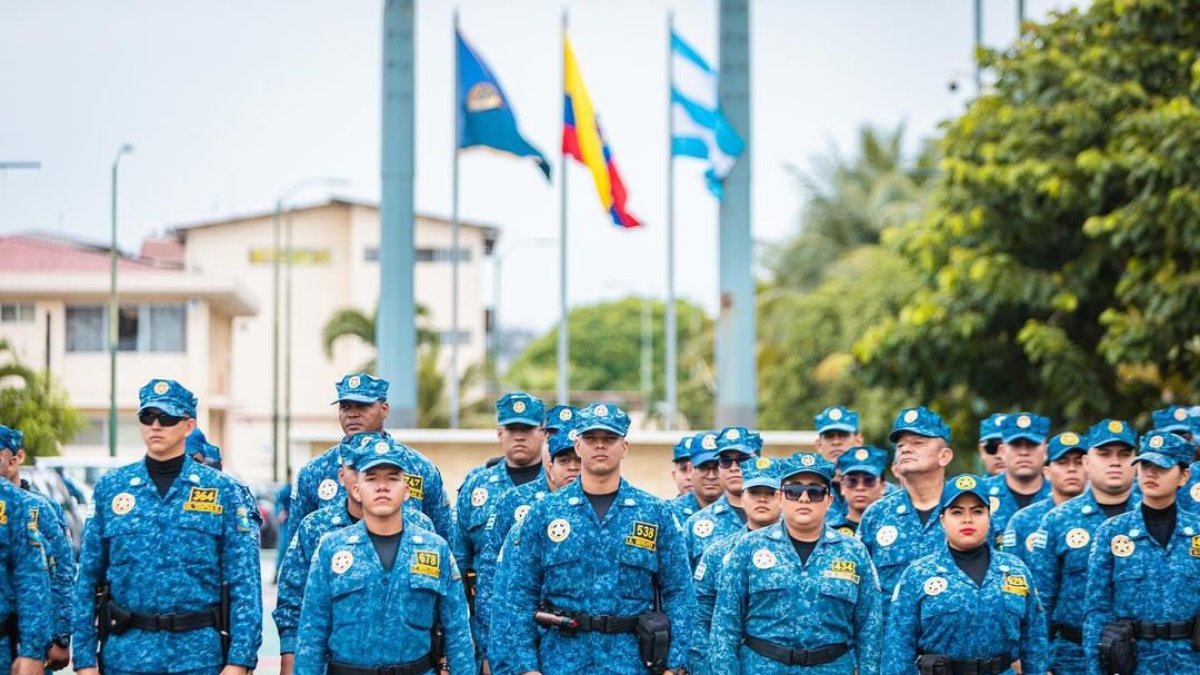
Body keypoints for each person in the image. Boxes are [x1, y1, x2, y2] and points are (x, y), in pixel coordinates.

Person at [71, 378, 262, 674]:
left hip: (198, 658)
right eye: (147, 417)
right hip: (126, 656)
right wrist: (84, 660)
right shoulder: (112, 487)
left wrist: (240, 661)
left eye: (167, 418)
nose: (156, 425)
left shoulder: (222, 490)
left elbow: (244, 584)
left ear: (188, 426)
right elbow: (87, 578)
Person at [489, 402, 695, 675]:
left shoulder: (655, 514)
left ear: (624, 447)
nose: (600, 446)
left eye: (609, 438)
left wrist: (675, 664)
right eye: (591, 438)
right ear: (577, 445)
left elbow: (679, 591)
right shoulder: (545, 513)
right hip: (560, 662)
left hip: (632, 662)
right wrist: (526, 667)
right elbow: (519, 595)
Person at [295, 434, 473, 674]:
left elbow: (458, 632)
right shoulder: (331, 548)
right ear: (356, 490)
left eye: (392, 478)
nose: (382, 486)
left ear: (407, 490)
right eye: (371, 478)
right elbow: (312, 634)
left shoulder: (434, 548)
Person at [709, 453, 882, 675]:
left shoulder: (853, 552)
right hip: (762, 668)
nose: (804, 499)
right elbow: (725, 625)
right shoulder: (749, 548)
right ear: (781, 497)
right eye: (794, 491)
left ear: (829, 500)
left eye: (815, 492)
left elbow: (870, 627)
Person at [884, 474, 1048, 675]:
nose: (967, 519)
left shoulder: (1016, 571)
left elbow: (1035, 643)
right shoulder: (918, 574)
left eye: (977, 511)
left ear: (989, 517)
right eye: (957, 512)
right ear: (943, 520)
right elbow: (898, 649)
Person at [1026, 419, 1138, 675]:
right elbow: (1039, 601)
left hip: (1145, 657)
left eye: (1124, 454)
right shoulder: (1058, 520)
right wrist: (1038, 663)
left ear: (1136, 461)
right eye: (1104, 453)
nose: (1115, 462)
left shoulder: (1153, 515)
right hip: (1071, 658)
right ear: (1087, 462)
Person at [1083, 431, 1200, 675]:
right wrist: (1097, 669)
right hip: (1134, 663)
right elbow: (1097, 610)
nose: (1150, 473)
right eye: (1145, 465)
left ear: (1184, 476)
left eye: (1162, 467)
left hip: (1189, 661)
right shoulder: (1112, 532)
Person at [292, 374, 453, 541]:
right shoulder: (315, 470)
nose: (352, 414)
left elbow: (444, 539)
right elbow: (296, 547)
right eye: (345, 407)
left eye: (362, 406)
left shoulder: (418, 467)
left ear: (384, 409)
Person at [475, 426, 582, 673]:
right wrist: (493, 652)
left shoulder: (609, 520)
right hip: (530, 644)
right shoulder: (529, 517)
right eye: (564, 461)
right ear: (550, 467)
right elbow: (499, 592)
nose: (573, 468)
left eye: (579, 460)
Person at [687, 455, 784, 675]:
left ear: (782, 498)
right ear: (742, 498)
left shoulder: (798, 555)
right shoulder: (717, 553)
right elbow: (700, 616)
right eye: (754, 492)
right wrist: (705, 665)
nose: (762, 499)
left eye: (770, 493)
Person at [858, 406, 953, 624]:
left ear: (944, 456)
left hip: (949, 647)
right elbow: (859, 588)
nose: (906, 450)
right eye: (900, 445)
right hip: (888, 648)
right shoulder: (877, 515)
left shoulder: (965, 511)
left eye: (918, 443)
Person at [0, 425, 74, 669]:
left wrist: (59, 636)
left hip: (17, 634)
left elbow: (59, 573)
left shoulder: (34, 507)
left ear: (16, 458)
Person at [1001, 431, 1087, 561]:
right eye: (1062, 462)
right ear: (1047, 472)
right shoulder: (1023, 521)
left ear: (1089, 468)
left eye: (1079, 462)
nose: (1071, 469)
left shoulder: (1105, 518)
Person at [684, 427, 761, 568]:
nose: (734, 467)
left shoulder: (783, 520)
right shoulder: (696, 524)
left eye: (742, 460)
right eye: (726, 461)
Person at [985, 413, 1053, 540]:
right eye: (1016, 445)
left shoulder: (1059, 497)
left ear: (1045, 451)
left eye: (1032, 445)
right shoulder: (982, 494)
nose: (1023, 452)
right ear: (1002, 452)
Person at [813, 406, 864, 525]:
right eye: (829, 436)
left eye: (843, 435)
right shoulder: (806, 491)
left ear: (858, 441)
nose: (836, 442)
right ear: (819, 445)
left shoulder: (879, 489)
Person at [829, 445, 889, 536]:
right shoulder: (828, 532)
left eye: (869, 480)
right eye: (852, 481)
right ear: (842, 487)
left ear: (883, 487)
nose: (860, 487)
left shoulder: (894, 527)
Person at [676, 432, 723, 523]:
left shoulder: (746, 512)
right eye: (703, 467)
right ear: (690, 470)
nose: (711, 476)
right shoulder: (670, 513)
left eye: (718, 467)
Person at [669, 436, 699, 519]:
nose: (689, 477)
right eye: (683, 469)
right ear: (674, 475)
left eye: (695, 468)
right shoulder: (665, 512)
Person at [273, 470, 293, 583]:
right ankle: (276, 573)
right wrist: (280, 513)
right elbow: (277, 502)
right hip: (286, 523)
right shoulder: (286, 489)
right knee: (283, 547)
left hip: (294, 522)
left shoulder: (296, 488)